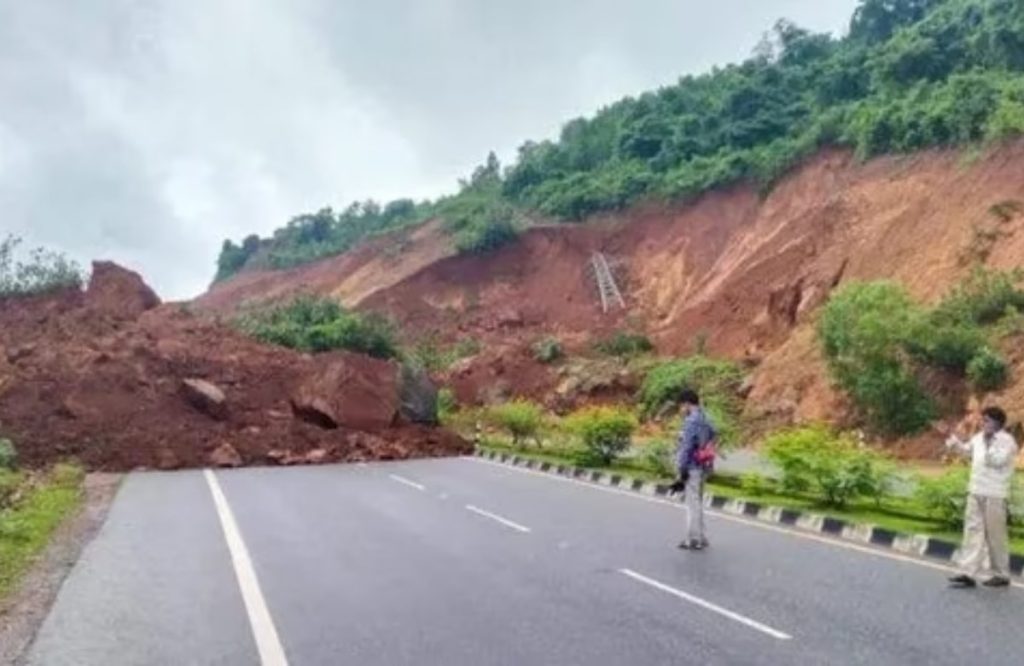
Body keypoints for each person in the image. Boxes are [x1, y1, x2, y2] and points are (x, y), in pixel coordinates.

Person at [945, 406, 1019, 588]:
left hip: (995, 493)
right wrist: (952, 439)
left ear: (997, 423)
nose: (982, 423)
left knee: (995, 536)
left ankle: (1001, 574)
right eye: (983, 420)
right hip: (975, 490)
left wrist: (988, 443)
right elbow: (966, 451)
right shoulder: (978, 438)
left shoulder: (1007, 441)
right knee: (972, 531)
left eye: (986, 420)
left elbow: (996, 461)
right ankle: (967, 572)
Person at [675, 389, 717, 551]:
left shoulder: (691, 421)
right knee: (697, 502)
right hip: (704, 465)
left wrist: (681, 467)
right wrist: (706, 447)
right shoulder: (706, 417)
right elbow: (715, 433)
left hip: (692, 466)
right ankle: (702, 537)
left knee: (692, 504)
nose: (681, 410)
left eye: (681, 406)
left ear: (686, 404)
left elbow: (686, 447)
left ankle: (693, 539)